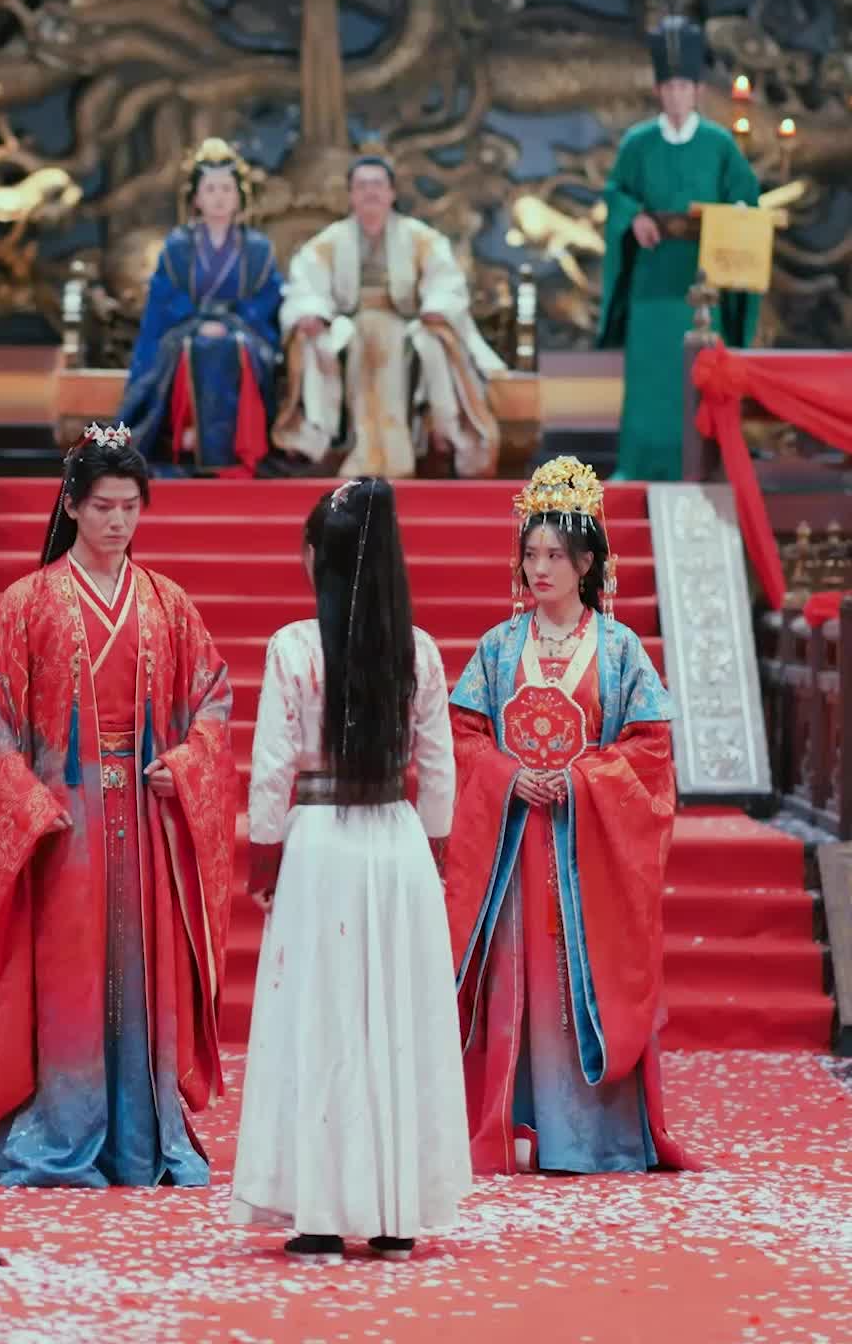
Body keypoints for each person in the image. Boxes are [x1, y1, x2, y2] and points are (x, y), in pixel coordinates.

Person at [0, 424, 238, 1188]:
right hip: (63, 821)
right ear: (72, 506)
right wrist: (26, 800)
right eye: (103, 506)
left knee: (141, 974)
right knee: (68, 975)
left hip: (144, 815)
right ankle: (61, 1127)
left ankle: (141, 1136)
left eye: (130, 507)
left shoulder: (168, 604)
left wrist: (185, 764)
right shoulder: (27, 602)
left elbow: (213, 696)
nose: (117, 521)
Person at [230, 478, 471, 1257]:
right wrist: (433, 852)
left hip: (320, 844)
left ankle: (323, 1214)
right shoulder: (420, 652)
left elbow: (272, 770)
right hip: (396, 840)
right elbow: (440, 773)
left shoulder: (293, 648)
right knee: (394, 1017)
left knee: (322, 1015)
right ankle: (396, 1217)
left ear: (315, 559)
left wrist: (265, 858)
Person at [445, 455, 694, 1177]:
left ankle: (590, 1138)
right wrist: (509, 777)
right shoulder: (499, 648)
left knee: (582, 980)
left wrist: (582, 780)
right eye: (531, 554)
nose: (540, 568)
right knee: (514, 980)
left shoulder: (618, 651)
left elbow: (651, 750)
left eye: (555, 555)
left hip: (587, 851)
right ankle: (513, 1125)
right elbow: (464, 736)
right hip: (515, 844)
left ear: (587, 563)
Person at [272, 153, 506, 478]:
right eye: (362, 186)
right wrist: (312, 312)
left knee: (430, 342)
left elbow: (445, 282)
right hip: (348, 327)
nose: (370, 192)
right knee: (318, 342)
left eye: (378, 185)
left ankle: (424, 443)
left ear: (392, 193)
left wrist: (436, 306)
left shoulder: (420, 237)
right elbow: (306, 286)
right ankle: (336, 445)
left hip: (405, 325)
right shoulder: (329, 242)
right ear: (350, 194)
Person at [597, 15, 760, 480]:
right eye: (667, 87)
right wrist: (636, 217)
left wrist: (733, 217)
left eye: (683, 87)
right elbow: (615, 192)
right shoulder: (638, 143)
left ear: (698, 91)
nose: (675, 96)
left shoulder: (719, 144)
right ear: (657, 91)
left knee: (700, 374)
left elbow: (746, 197)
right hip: (652, 276)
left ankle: (702, 465)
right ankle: (639, 464)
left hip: (701, 279)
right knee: (650, 375)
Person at [119, 137, 283, 473]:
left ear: (239, 196)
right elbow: (165, 300)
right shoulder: (177, 246)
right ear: (196, 198)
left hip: (244, 331)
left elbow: (267, 300)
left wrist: (230, 322)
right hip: (185, 329)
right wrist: (199, 321)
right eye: (210, 189)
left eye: (226, 189)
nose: (219, 197)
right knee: (195, 346)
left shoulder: (258, 249)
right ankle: (185, 440)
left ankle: (238, 444)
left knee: (233, 346)